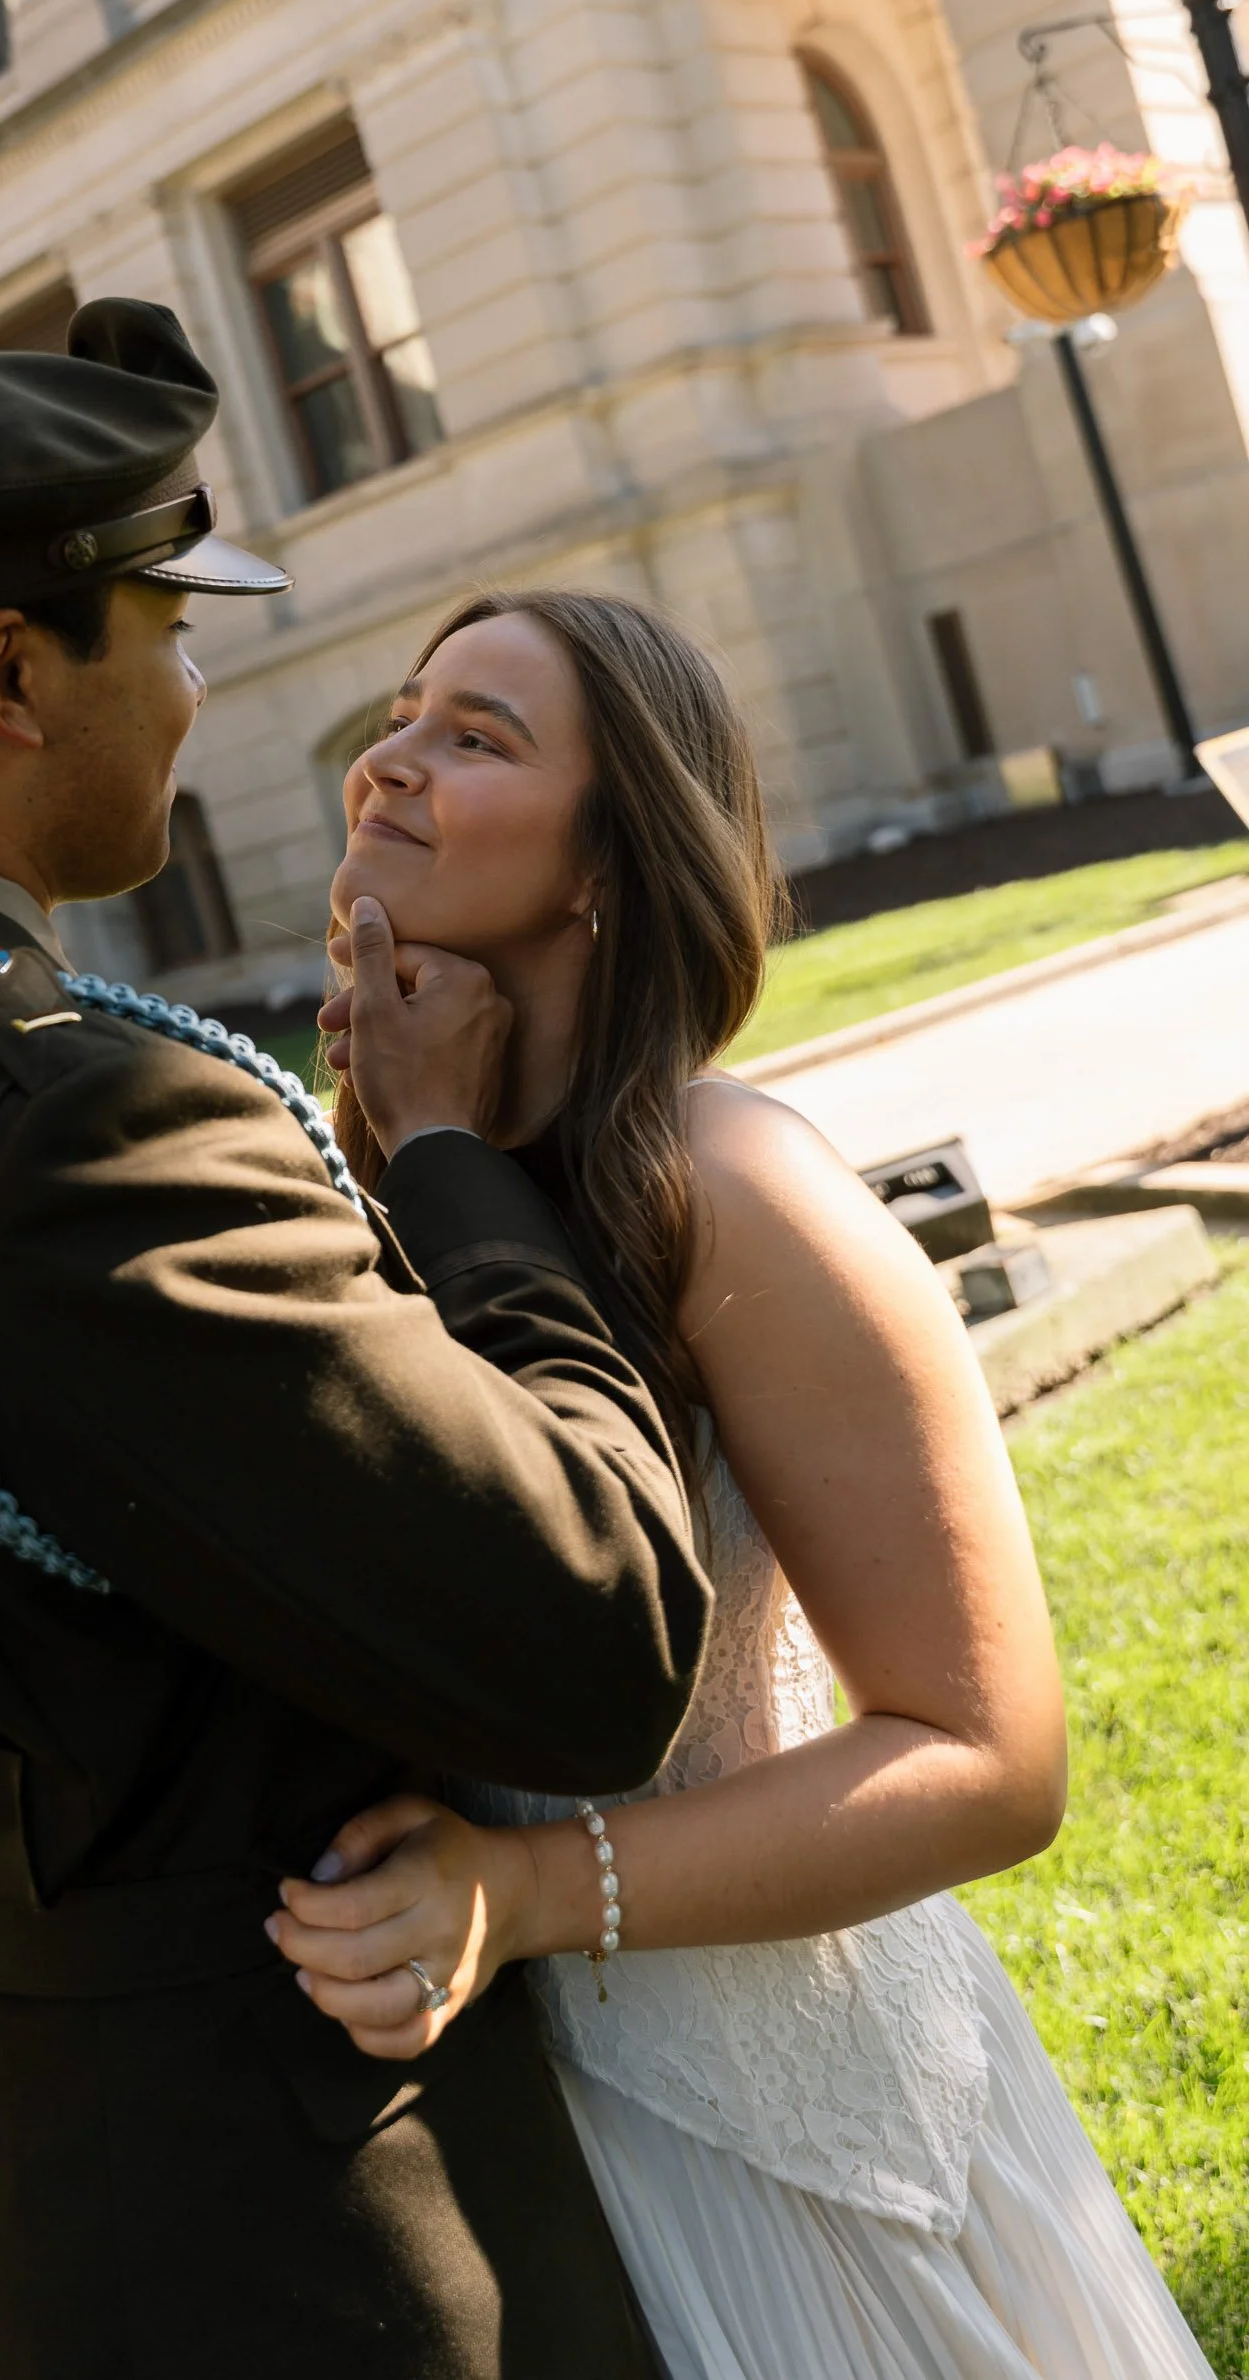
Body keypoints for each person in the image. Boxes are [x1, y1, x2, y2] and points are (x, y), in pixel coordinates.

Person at [0, 308, 711, 2379]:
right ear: (9, 674)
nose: (196, 688)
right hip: (249, 2233)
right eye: (161, 627)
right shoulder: (70, 1114)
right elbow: (600, 1630)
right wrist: (455, 1163)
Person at [269, 587, 1216, 2380]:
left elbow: (987, 1757)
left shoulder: (733, 1182)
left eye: (477, 737)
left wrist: (526, 1894)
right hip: (507, 2157)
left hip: (803, 2149)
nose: (389, 761)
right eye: (401, 718)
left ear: (607, 862)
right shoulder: (367, 1209)